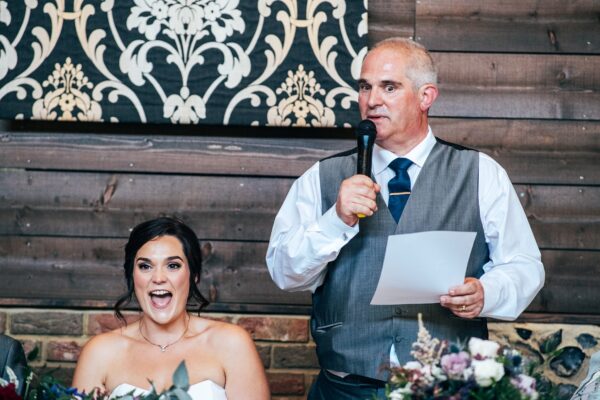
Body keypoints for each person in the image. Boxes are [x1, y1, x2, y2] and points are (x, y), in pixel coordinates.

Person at [266, 37, 545, 399]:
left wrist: (486, 292)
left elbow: (525, 265)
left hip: (446, 387)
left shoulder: (481, 173)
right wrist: (336, 219)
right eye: (365, 87)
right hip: (346, 388)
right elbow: (284, 273)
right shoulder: (321, 177)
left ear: (426, 96)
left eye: (389, 87)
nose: (372, 100)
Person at [72, 217, 270, 400]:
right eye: (145, 266)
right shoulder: (100, 352)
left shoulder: (231, 343)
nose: (158, 278)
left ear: (194, 276)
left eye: (173, 266)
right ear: (132, 276)